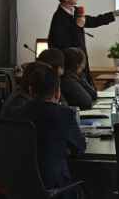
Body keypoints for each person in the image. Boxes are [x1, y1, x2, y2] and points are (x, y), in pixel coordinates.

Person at [17, 63, 86, 197]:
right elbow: (79, 148)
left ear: (30, 90)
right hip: (55, 189)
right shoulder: (64, 114)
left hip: (21, 187)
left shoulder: (17, 113)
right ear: (58, 92)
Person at [47, 0, 119, 83]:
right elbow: (59, 43)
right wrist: (76, 26)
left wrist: (112, 15)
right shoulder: (58, 17)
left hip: (82, 60)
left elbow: (93, 21)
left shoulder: (76, 11)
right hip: (70, 66)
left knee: (89, 87)